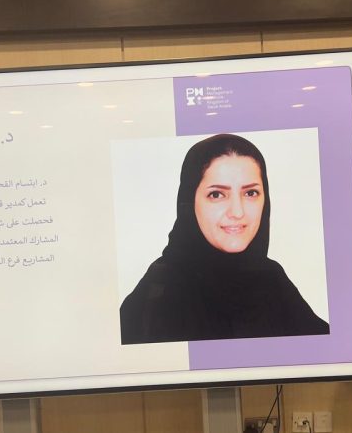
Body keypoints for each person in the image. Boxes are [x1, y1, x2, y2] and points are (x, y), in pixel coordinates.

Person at [120, 134, 329, 344]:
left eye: (251, 193)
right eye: (217, 195)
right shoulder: (159, 298)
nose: (237, 212)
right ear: (189, 203)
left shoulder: (271, 280)